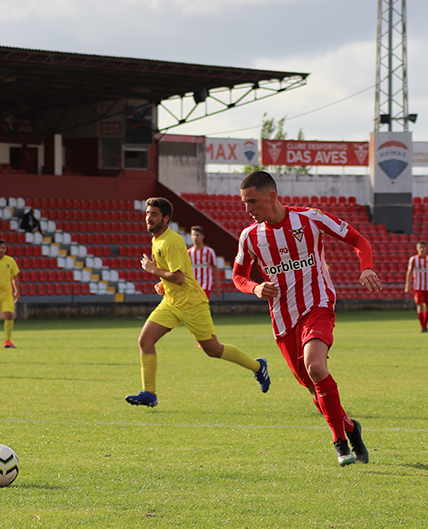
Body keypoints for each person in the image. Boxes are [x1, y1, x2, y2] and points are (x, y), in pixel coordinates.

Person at [232, 171, 382, 466]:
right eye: (244, 202)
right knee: (314, 388)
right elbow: (238, 275)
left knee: (316, 367)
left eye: (252, 201)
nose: (247, 208)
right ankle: (350, 427)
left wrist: (366, 267)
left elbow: (358, 239)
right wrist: (255, 286)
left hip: (318, 305)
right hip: (283, 319)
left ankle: (339, 442)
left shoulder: (311, 218)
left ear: (271, 196)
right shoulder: (250, 236)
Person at [125, 198, 270, 408]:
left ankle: (258, 366)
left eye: (154, 214)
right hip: (171, 303)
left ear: (165, 219)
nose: (149, 217)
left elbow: (180, 277)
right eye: (148, 213)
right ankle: (149, 393)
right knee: (145, 341)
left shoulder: (170, 241)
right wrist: (163, 284)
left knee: (213, 350)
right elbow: (173, 275)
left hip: (192, 303)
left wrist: (153, 270)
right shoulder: (157, 239)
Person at [404, 241, 428, 333]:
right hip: (418, 287)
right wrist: (407, 285)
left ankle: (425, 325)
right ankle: (423, 327)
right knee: (420, 306)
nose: (421, 249)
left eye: (423, 247)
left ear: (426, 248)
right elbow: (409, 272)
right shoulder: (413, 259)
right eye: (420, 247)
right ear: (417, 248)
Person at [188, 225, 221, 300]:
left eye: (197, 235)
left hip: (205, 284)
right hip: (192, 285)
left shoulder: (209, 251)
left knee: (203, 305)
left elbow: (215, 268)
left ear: (202, 236)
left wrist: (218, 286)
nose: (195, 237)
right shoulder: (188, 253)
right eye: (193, 235)